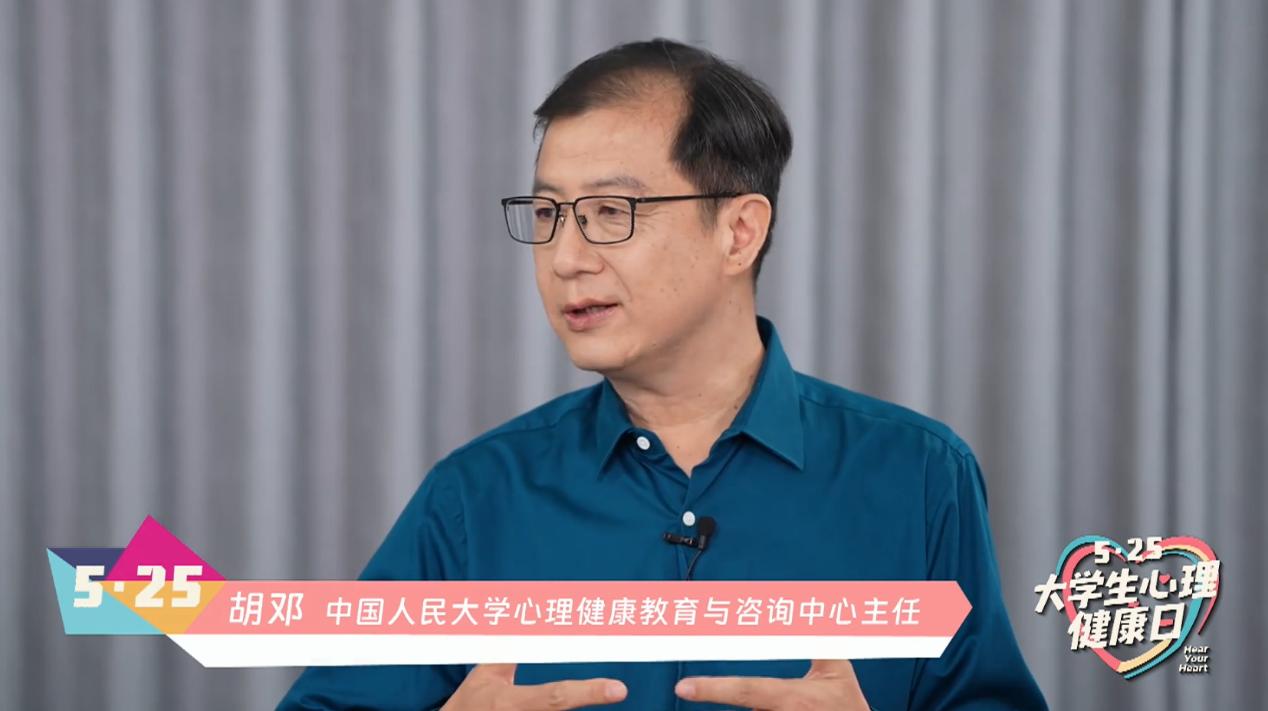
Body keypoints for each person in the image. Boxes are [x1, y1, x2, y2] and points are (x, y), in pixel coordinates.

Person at [279, 38, 1047, 711]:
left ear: (739, 231)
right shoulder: (477, 497)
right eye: (547, 215)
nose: (566, 258)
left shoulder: (917, 476)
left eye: (611, 211)